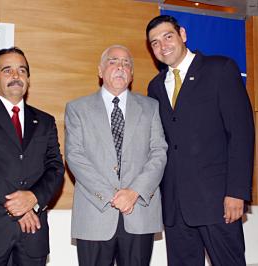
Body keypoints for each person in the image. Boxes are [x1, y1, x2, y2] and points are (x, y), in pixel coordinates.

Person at [146, 15, 255, 266]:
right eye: (154, 43)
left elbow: (241, 133)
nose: (162, 46)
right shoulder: (155, 86)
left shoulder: (220, 69)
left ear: (183, 35)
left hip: (218, 201)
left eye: (168, 36)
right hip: (175, 205)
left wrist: (237, 192)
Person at [0, 47, 64, 265]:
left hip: (33, 234)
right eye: (7, 70)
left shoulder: (45, 121)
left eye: (22, 70)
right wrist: (20, 206)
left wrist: (33, 198)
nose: (16, 76)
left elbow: (55, 168)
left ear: (28, 79)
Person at [65, 44, 168, 266]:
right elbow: (75, 156)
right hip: (95, 212)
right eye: (113, 61)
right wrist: (112, 196)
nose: (121, 67)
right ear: (100, 71)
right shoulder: (77, 109)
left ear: (131, 74)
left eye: (126, 63)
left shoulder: (151, 107)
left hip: (139, 212)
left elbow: (159, 153)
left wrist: (133, 193)